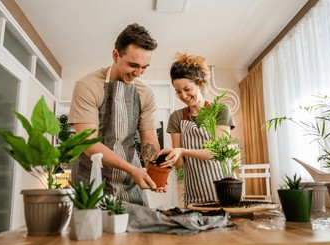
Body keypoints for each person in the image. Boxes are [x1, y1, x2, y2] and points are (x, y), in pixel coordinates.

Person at [68, 23, 163, 207]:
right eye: (133, 65)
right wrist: (132, 169)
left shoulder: (146, 94)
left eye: (144, 67)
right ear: (115, 55)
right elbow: (89, 144)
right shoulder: (87, 86)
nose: (138, 73)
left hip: (130, 184)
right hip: (91, 182)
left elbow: (149, 139)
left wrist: (155, 168)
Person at [157, 53, 235, 207]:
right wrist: (171, 155)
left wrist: (182, 150)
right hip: (195, 196)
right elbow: (180, 164)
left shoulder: (220, 110)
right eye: (178, 92)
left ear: (199, 83)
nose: (183, 96)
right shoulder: (176, 117)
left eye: (187, 89)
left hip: (225, 192)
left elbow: (217, 152)